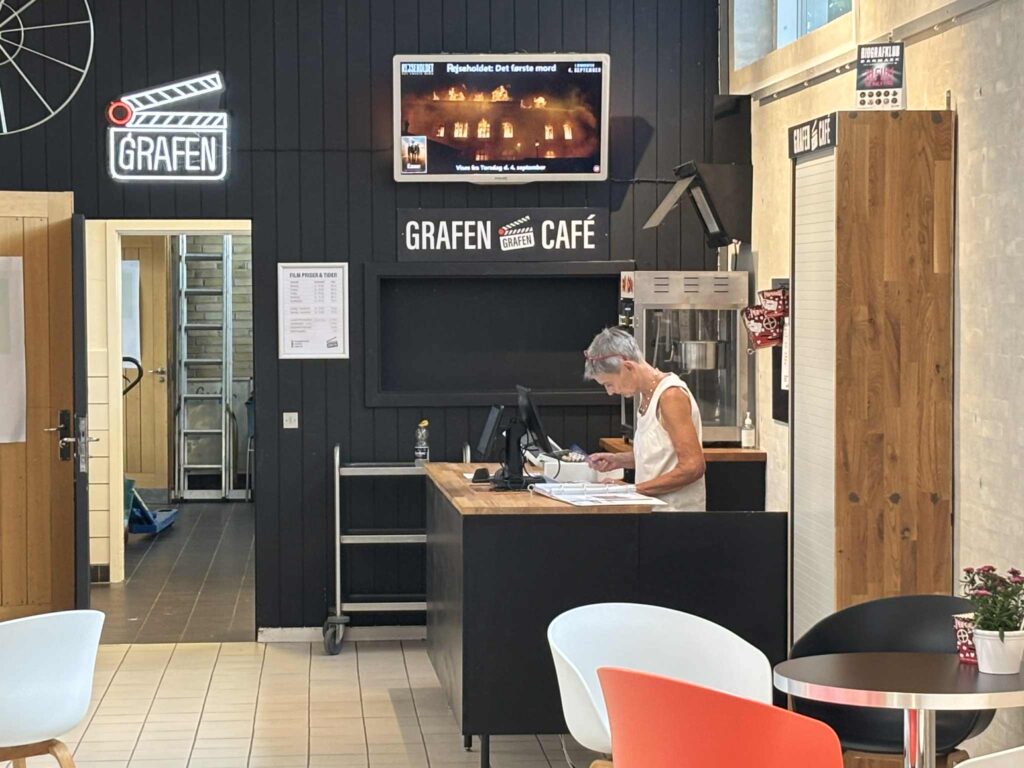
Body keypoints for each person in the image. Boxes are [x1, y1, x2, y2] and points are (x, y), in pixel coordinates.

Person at [583, 327, 706, 511]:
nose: (610, 392)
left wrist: (632, 490)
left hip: (676, 515)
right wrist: (619, 460)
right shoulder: (645, 394)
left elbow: (693, 467)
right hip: (652, 511)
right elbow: (662, 456)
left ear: (628, 367)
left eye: (609, 384)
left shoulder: (670, 396)